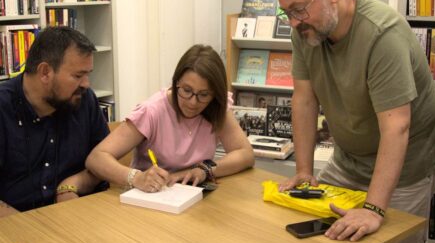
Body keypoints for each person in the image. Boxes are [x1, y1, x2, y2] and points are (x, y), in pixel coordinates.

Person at [269, 0, 435, 243]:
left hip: (406, 158)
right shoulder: (306, 30)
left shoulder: (383, 34)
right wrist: (303, 170)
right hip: (350, 155)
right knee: (326, 237)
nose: (294, 22)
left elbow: (397, 127)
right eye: (288, 13)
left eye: (298, 10)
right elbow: (304, 99)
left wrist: (375, 209)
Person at [86, 44, 254, 192]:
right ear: (176, 82)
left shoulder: (216, 107)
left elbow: (245, 154)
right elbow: (96, 158)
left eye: (203, 94)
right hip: (153, 198)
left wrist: (205, 170)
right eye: (186, 90)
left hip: (194, 199)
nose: (193, 102)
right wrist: (136, 178)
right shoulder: (152, 111)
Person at [0, 26, 109, 218]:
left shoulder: (84, 100)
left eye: (88, 74)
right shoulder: (3, 108)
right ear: (45, 72)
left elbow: (104, 162)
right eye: (77, 75)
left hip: (77, 218)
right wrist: (26, 227)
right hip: (14, 228)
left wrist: (70, 186)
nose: (86, 84)